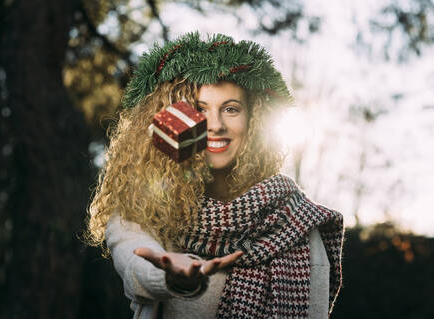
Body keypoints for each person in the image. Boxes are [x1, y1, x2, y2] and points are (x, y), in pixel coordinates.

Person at [85, 32, 344, 319]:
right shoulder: (141, 210)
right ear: (169, 120)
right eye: (199, 109)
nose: (215, 125)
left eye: (231, 109)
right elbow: (137, 269)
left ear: (253, 120)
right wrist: (173, 278)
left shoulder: (299, 223)